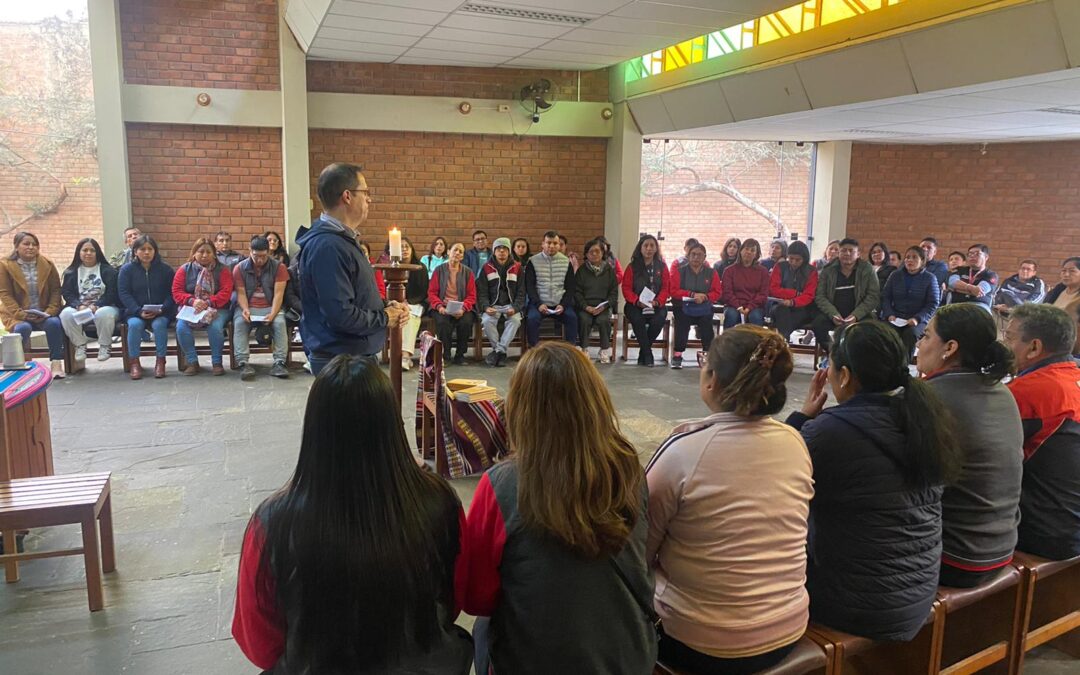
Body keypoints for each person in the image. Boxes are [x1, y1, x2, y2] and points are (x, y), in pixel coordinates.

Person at [233, 355, 472, 674]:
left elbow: (258, 644)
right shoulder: (440, 502)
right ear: (391, 422)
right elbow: (455, 599)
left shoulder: (272, 523)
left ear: (315, 427)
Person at [461, 343, 656, 674]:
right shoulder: (629, 469)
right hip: (627, 658)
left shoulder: (502, 484)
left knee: (481, 629)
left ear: (521, 409)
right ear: (595, 401)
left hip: (536, 662)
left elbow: (476, 597)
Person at [647, 326, 813, 673]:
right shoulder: (794, 442)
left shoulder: (685, 450)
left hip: (700, 642)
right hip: (788, 627)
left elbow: (640, 549)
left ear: (711, 380)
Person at [788, 321, 961, 640]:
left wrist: (800, 419)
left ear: (845, 375)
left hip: (855, 606)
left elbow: (775, 478)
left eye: (830, 365)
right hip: (917, 594)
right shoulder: (927, 416)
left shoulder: (828, 432)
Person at [915, 304, 1022, 587]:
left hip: (955, 556)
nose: (918, 343)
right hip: (1001, 547)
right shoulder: (1002, 392)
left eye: (926, 336)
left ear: (949, 348)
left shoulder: (929, 398)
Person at [296, 163, 408, 376]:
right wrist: (385, 317)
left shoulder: (341, 241)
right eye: (365, 192)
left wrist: (386, 306)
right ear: (347, 196)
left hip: (351, 356)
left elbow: (353, 295)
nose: (369, 199)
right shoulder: (328, 246)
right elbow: (340, 314)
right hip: (342, 362)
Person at [1004, 304, 1080, 560]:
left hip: (1045, 533)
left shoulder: (1029, 392)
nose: (1004, 345)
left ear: (1034, 347)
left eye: (1009, 338)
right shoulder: (1072, 378)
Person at [0, 232, 65, 377]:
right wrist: (22, 314)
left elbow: (56, 290)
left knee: (54, 323)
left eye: (34, 244)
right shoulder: (5, 265)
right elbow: (5, 294)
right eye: (26, 244)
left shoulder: (47, 264)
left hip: (43, 312)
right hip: (18, 315)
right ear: (16, 246)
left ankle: (56, 364)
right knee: (23, 328)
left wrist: (50, 311)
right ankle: (16, 366)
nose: (31, 247)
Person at [173, 237, 233, 376]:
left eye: (208, 252)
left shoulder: (223, 270)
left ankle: (217, 362)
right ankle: (192, 361)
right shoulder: (184, 270)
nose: (205, 255)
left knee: (215, 327)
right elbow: (176, 292)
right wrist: (192, 301)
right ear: (194, 253)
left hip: (218, 308)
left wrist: (208, 302)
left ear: (214, 254)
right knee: (181, 327)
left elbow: (226, 292)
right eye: (201, 252)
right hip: (191, 308)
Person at [118, 235, 175, 380]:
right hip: (136, 312)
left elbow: (172, 293)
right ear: (135, 251)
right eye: (142, 249)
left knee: (159, 324)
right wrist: (138, 311)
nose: (146, 252)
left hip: (162, 312)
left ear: (155, 251)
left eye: (150, 249)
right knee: (135, 325)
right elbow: (124, 293)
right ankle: (135, 363)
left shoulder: (166, 270)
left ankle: (160, 361)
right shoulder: (126, 270)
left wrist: (162, 309)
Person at [233, 236, 290, 380]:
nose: (259, 260)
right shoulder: (239, 268)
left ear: (269, 252)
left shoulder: (279, 267)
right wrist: (245, 309)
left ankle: (279, 362)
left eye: (263, 256)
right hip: (248, 306)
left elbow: (278, 294)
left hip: (271, 306)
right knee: (240, 322)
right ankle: (243, 363)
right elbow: (240, 292)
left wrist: (273, 313)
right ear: (249, 250)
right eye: (256, 256)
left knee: (279, 323)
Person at [811, 238, 880, 353]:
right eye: (843, 250)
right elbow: (820, 296)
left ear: (858, 254)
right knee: (818, 323)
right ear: (839, 253)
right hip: (833, 312)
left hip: (859, 312)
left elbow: (873, 296)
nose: (847, 253)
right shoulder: (828, 270)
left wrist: (855, 316)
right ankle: (833, 354)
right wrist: (833, 314)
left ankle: (855, 357)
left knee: (870, 327)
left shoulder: (867, 269)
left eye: (851, 251)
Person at [59, 238, 121, 364]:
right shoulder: (71, 272)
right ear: (79, 252)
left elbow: (112, 294)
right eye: (85, 250)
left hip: (105, 306)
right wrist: (79, 305)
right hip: (80, 308)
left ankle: (104, 345)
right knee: (65, 314)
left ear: (97, 252)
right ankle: (80, 345)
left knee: (103, 313)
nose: (88, 253)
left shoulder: (108, 271)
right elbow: (67, 293)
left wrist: (97, 305)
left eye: (92, 250)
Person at [881, 246, 940, 358]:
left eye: (914, 257)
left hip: (918, 320)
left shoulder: (930, 278)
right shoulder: (895, 275)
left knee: (910, 334)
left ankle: (904, 364)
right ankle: (887, 362)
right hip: (896, 317)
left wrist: (917, 318)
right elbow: (886, 297)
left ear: (922, 261)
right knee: (885, 332)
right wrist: (889, 314)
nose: (909, 260)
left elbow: (933, 303)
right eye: (907, 257)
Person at [669, 242, 721, 369]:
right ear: (688, 256)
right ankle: (678, 354)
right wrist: (691, 294)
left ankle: (707, 355)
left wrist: (705, 297)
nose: (696, 257)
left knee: (706, 323)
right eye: (693, 254)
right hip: (683, 306)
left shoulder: (711, 273)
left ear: (705, 257)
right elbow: (673, 290)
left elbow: (718, 292)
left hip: (703, 306)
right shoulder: (679, 271)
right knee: (682, 322)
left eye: (699, 255)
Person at [622, 234, 669, 366]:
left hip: (656, 304)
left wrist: (657, 302)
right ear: (640, 248)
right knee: (638, 320)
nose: (649, 249)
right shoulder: (632, 267)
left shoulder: (662, 267)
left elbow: (666, 288)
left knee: (658, 320)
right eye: (646, 246)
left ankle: (644, 352)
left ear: (656, 248)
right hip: (635, 304)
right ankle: (648, 354)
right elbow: (626, 288)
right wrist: (637, 301)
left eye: (652, 246)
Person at [524, 230, 578, 348]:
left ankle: (570, 350)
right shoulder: (533, 261)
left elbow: (570, 287)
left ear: (559, 245)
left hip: (560, 304)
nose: (552, 246)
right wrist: (538, 304)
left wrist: (563, 305)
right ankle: (534, 350)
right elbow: (530, 286)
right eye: (548, 243)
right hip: (539, 303)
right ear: (543, 244)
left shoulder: (566, 262)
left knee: (572, 318)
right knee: (532, 319)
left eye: (555, 243)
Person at [477, 238, 524, 367]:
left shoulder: (517, 268)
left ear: (509, 251)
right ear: (494, 251)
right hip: (493, 306)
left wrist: (515, 308)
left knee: (515, 320)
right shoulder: (486, 268)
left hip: (511, 305)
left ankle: (498, 351)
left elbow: (521, 293)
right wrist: (486, 307)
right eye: (498, 248)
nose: (501, 251)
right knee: (487, 321)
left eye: (505, 248)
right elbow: (482, 292)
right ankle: (501, 353)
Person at [428, 242, 476, 365]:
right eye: (455, 250)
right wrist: (439, 307)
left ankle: (460, 355)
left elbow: (471, 295)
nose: (457, 253)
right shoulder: (439, 270)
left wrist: (463, 308)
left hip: (461, 307)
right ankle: (446, 355)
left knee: (466, 321)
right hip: (442, 306)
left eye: (461, 251)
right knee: (443, 323)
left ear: (463, 256)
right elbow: (432, 292)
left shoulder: (468, 272)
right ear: (448, 252)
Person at [575, 238, 619, 364]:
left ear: (602, 253)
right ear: (586, 254)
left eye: (597, 251)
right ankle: (584, 349)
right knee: (584, 319)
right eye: (590, 252)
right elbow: (577, 292)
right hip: (586, 307)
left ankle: (604, 350)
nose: (594, 254)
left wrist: (605, 306)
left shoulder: (609, 270)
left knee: (603, 320)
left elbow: (614, 293)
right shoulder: (581, 271)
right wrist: (585, 307)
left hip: (603, 307)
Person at [768, 240, 818, 342]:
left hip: (802, 308)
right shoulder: (780, 267)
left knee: (787, 319)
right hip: (778, 306)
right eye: (791, 258)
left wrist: (792, 302)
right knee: (782, 311)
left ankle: (783, 342)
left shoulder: (811, 271)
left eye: (798, 260)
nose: (793, 262)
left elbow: (809, 295)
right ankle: (784, 341)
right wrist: (795, 293)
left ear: (804, 259)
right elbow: (773, 289)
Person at [720, 238, 769, 329]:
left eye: (752, 250)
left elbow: (763, 294)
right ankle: (727, 342)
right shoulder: (729, 270)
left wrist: (749, 307)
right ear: (740, 251)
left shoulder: (763, 271)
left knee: (755, 317)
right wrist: (739, 307)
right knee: (731, 315)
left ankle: (757, 343)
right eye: (746, 249)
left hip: (755, 306)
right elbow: (727, 292)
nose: (749, 252)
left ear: (756, 254)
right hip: (733, 305)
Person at [398, 237, 428, 371]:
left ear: (411, 249)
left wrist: (408, 302)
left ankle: (405, 356)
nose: (404, 249)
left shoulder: (420, 267)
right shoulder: (393, 267)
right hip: (398, 304)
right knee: (403, 314)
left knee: (410, 316)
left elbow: (423, 292)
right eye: (401, 247)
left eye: (407, 247)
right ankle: (405, 356)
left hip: (417, 303)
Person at [948, 244, 998, 313]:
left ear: (986, 257)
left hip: (979, 307)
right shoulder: (959, 270)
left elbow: (979, 291)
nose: (972, 256)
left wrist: (958, 288)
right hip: (956, 305)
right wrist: (971, 288)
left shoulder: (991, 275)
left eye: (977, 254)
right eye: (970, 254)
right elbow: (952, 283)